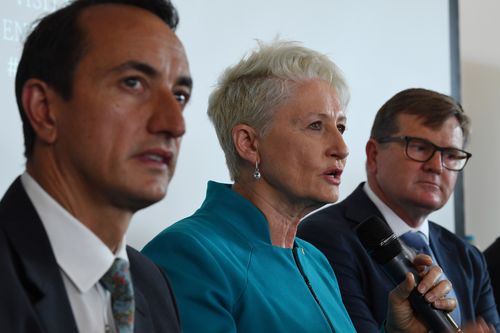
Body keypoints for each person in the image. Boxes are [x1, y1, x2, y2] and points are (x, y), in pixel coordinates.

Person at [143, 42, 458, 333]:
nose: (341, 147)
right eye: (316, 126)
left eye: (341, 127)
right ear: (249, 143)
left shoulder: (315, 260)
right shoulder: (188, 254)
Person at [0, 0, 192, 332]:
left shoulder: (152, 283)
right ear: (45, 109)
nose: (174, 124)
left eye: (178, 96)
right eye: (133, 83)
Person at [298, 88, 500, 332]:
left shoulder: (468, 256)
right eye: (419, 148)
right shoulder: (321, 238)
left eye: (451, 155)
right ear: (373, 155)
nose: (436, 166)